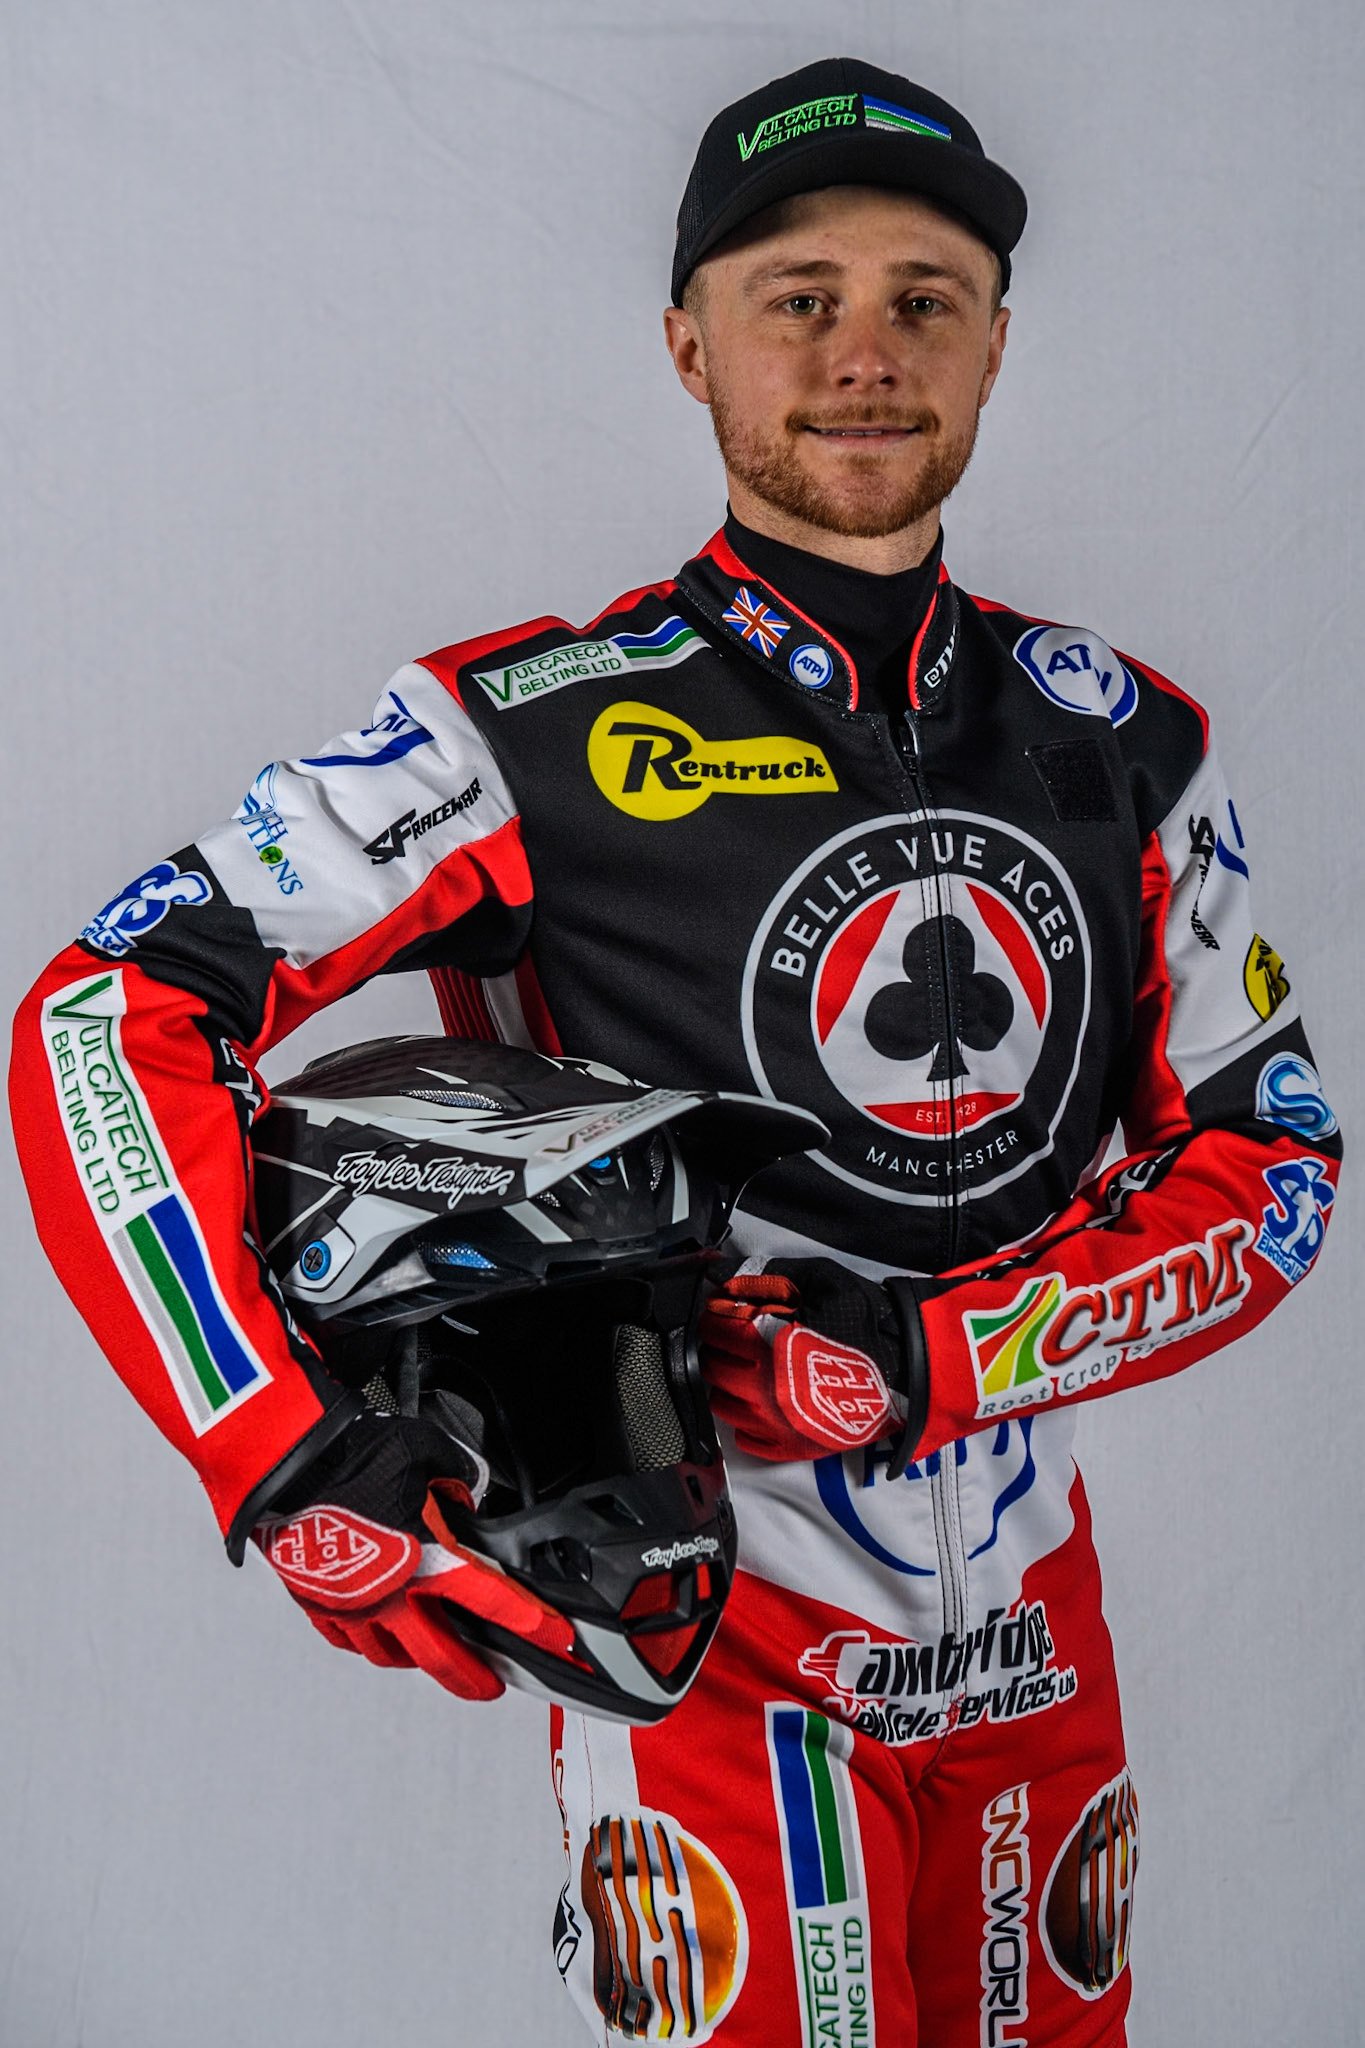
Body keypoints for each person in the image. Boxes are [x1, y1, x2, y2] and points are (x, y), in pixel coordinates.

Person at [9, 53, 1341, 2047]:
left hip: (1034, 1639)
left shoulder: (1124, 738)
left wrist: (930, 1357)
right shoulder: (511, 727)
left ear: (995, 341)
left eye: (922, 294)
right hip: (702, 1619)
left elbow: (1279, 1168)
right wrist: (280, 1445)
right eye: (793, 294)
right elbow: (105, 1017)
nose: (861, 351)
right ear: (684, 343)